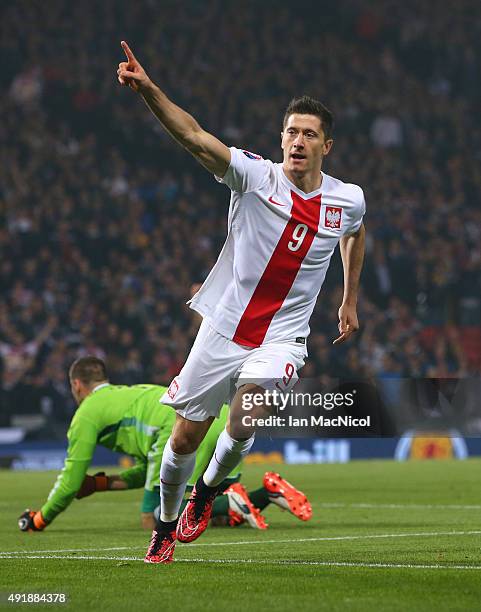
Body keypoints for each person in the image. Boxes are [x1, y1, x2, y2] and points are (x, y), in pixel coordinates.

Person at [117, 40, 365, 564]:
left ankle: (206, 494)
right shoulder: (255, 177)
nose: (298, 141)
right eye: (292, 131)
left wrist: (348, 299)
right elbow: (193, 136)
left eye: (310, 134)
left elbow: (355, 234)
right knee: (184, 438)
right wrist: (148, 89)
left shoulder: (348, 199)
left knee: (250, 411)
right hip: (225, 326)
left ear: (328, 146)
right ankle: (165, 525)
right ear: (281, 138)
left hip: (283, 336)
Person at [18, 356, 311, 532]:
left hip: (185, 434)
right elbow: (146, 467)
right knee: (216, 518)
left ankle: (231, 501)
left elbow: (69, 480)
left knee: (156, 517)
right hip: (223, 423)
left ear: (76, 385)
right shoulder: (131, 396)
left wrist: (40, 519)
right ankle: (268, 493)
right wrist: (99, 484)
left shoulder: (88, 413)